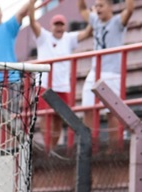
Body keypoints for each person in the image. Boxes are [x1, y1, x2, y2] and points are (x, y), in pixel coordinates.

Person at [27, 7, 93, 148]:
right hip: (45, 84)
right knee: (46, 116)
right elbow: (32, 21)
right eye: (56, 24)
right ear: (51, 26)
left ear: (64, 26)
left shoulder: (68, 38)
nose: (59, 27)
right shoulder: (44, 37)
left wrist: (92, 17)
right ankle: (49, 149)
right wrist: (31, 3)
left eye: (61, 24)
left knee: (58, 118)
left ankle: (52, 149)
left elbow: (87, 33)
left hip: (62, 85)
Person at [78, 0, 135, 133]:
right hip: (94, 71)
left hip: (112, 73)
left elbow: (130, 9)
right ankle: (89, 146)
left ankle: (113, 151)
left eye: (101, 6)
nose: (98, 9)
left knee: (113, 113)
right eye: (96, 6)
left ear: (110, 7)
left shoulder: (117, 22)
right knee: (87, 108)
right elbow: (82, 9)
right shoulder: (95, 21)